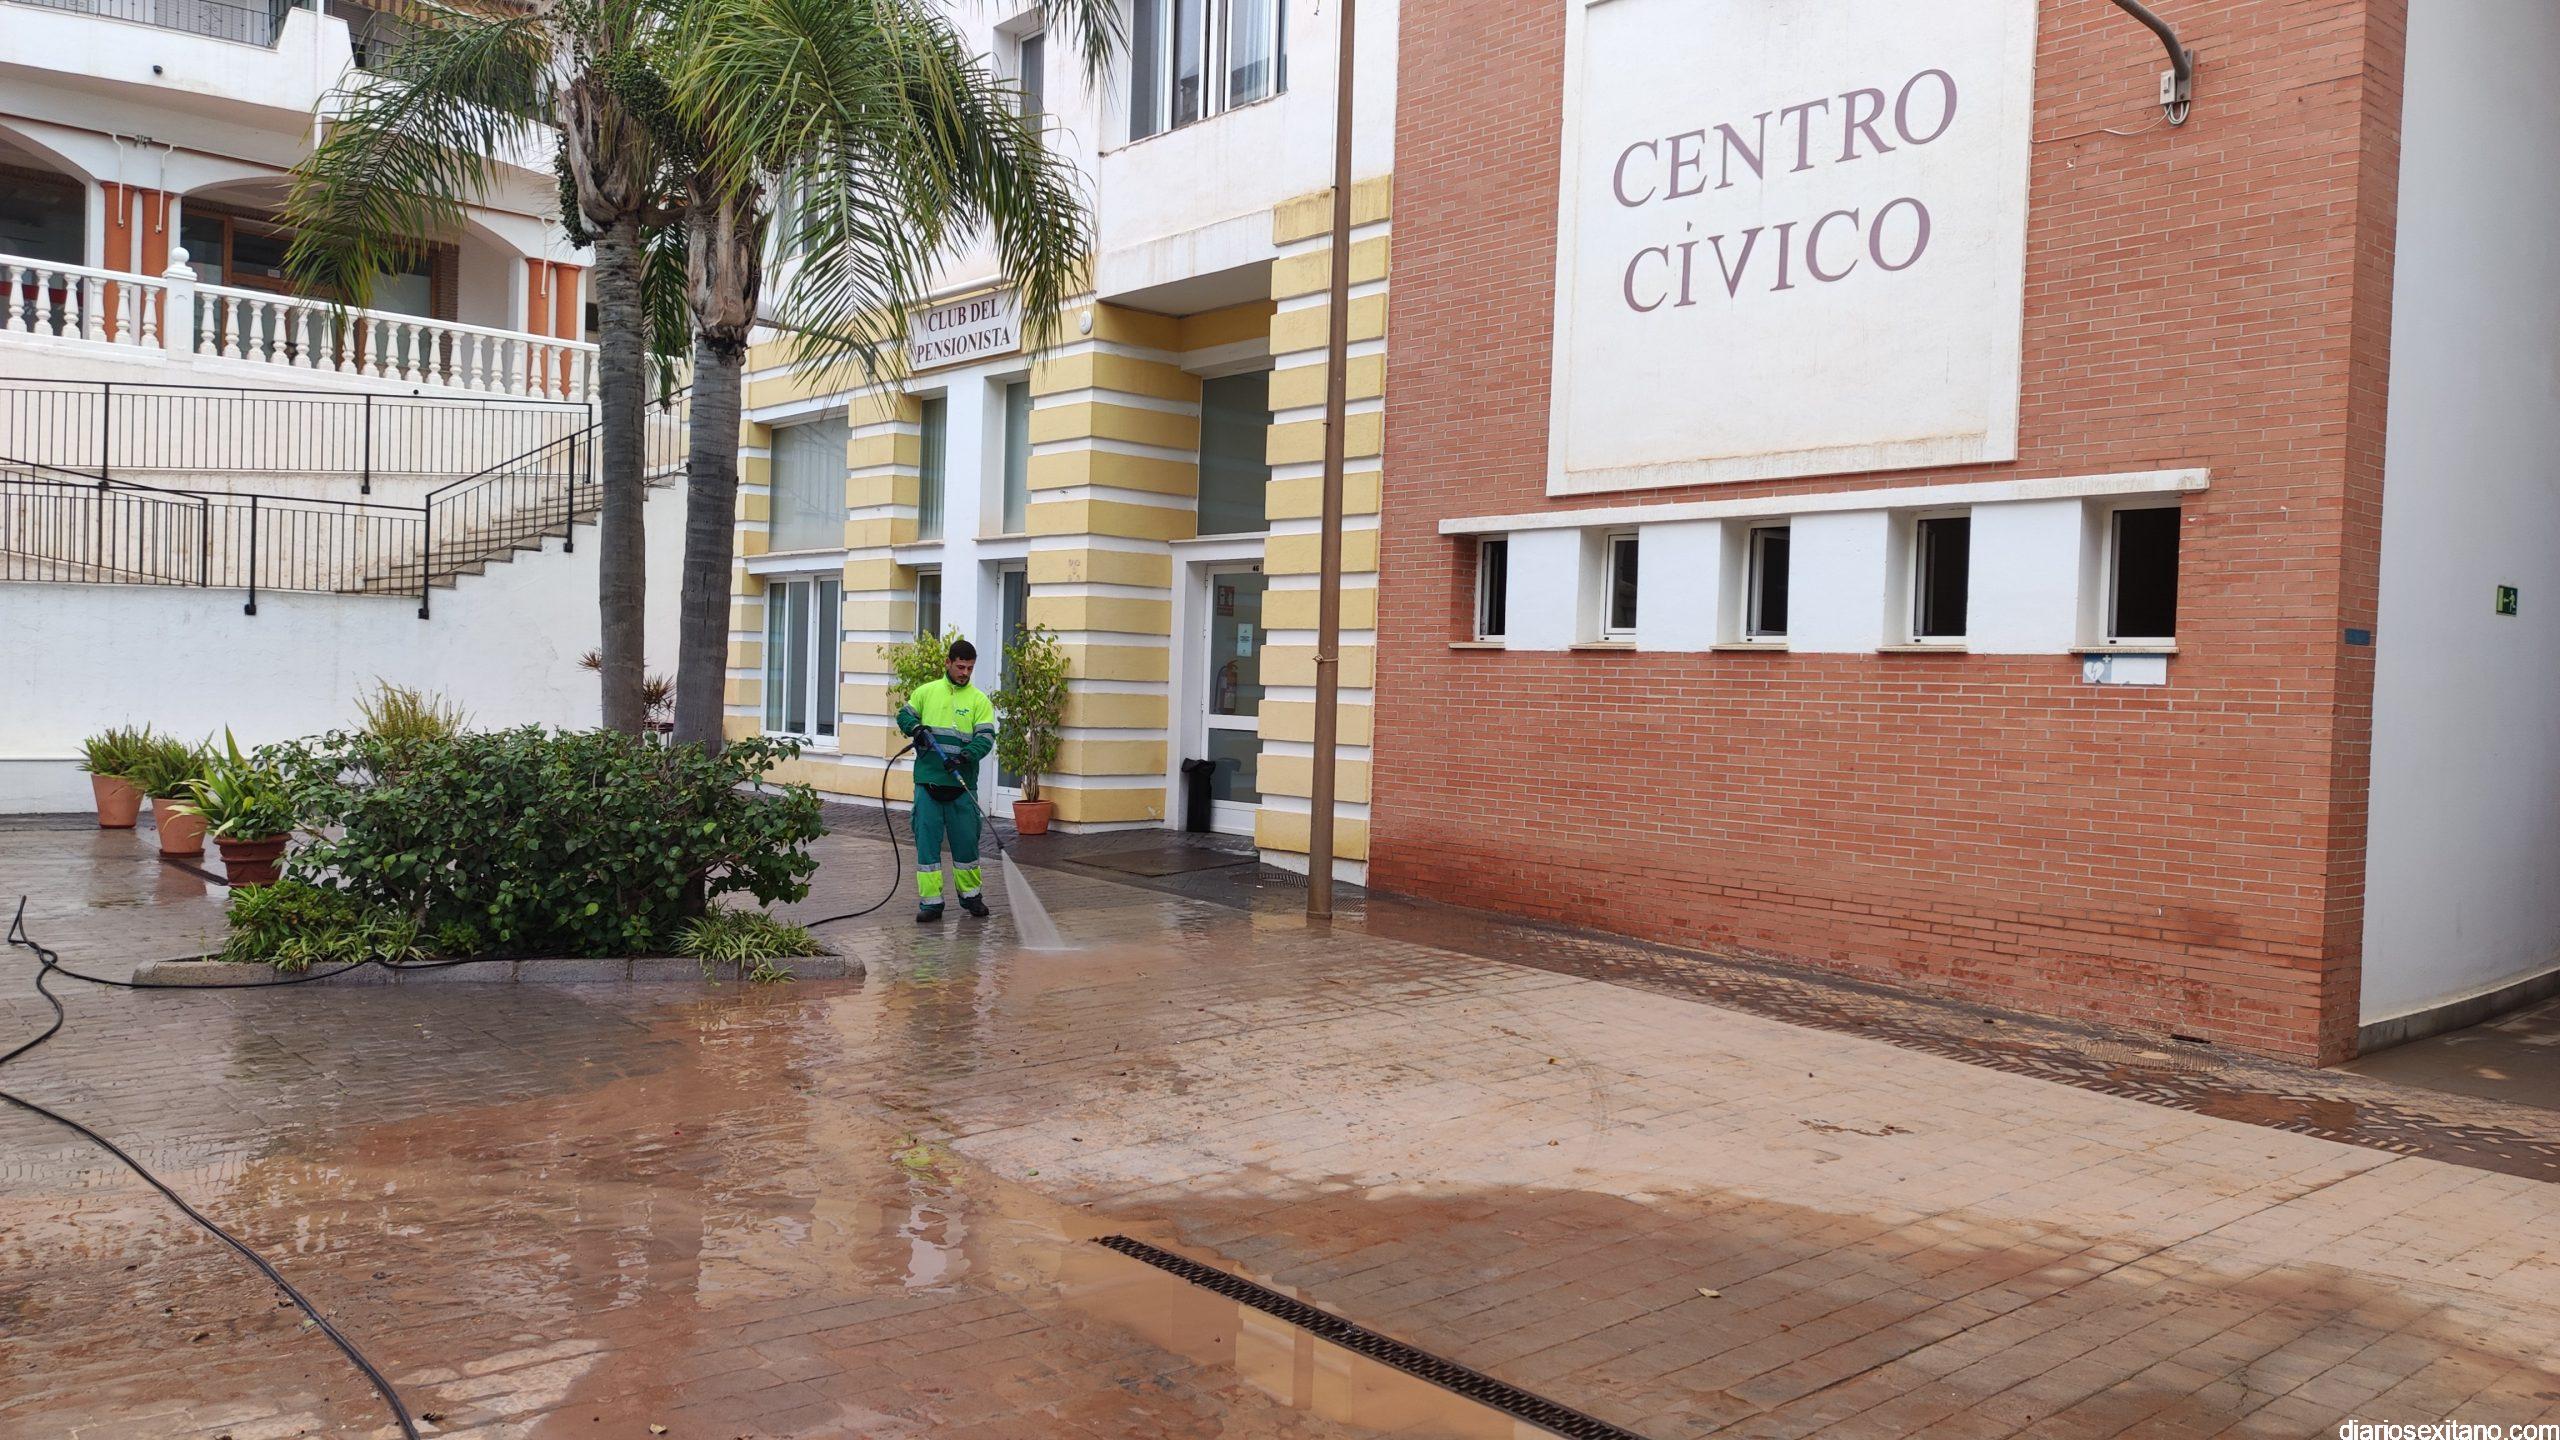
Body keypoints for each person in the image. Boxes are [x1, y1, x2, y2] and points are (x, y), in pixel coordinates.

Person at [896, 639, 998, 922]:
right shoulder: (926, 692)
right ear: (948, 663)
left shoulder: (978, 700)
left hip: (962, 786)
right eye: (960, 667)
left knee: (966, 845)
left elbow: (986, 738)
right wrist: (915, 728)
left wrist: (965, 756)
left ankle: (971, 897)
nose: (965, 673)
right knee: (927, 845)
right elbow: (904, 716)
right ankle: (931, 904)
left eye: (970, 668)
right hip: (928, 783)